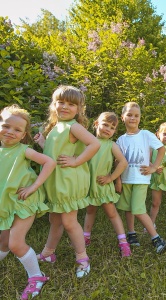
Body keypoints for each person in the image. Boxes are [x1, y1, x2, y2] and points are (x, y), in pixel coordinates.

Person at [34, 85, 100, 278]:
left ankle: (83, 259)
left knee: (69, 221)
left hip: (68, 182)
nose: (65, 107)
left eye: (71, 104)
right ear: (53, 105)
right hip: (56, 181)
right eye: (60, 102)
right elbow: (53, 152)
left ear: (79, 109)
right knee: (54, 219)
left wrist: (76, 161)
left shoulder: (74, 126)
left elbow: (94, 144)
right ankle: (48, 253)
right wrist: (43, 144)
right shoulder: (57, 127)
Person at [0, 105, 56, 299]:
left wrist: (34, 187)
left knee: (15, 243)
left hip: (24, 200)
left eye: (17, 130)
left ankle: (36, 276)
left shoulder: (24, 150)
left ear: (24, 134)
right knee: (3, 241)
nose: (10, 132)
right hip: (7, 203)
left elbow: (50, 162)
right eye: (6, 126)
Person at [115, 102, 166, 253]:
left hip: (141, 179)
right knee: (128, 208)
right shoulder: (120, 139)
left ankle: (156, 238)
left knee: (138, 209)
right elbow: (118, 161)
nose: (133, 118)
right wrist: (118, 179)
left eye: (136, 115)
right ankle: (131, 234)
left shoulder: (145, 134)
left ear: (140, 118)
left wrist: (154, 167)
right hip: (126, 179)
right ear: (123, 117)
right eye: (129, 115)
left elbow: (161, 149)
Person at [83, 112, 131, 257]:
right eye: (105, 124)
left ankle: (123, 242)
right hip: (90, 186)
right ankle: (86, 237)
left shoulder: (111, 145)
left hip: (103, 185)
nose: (107, 129)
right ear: (96, 124)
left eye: (112, 127)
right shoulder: (88, 141)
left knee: (111, 213)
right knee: (90, 211)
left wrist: (111, 178)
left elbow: (123, 162)